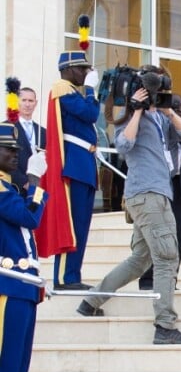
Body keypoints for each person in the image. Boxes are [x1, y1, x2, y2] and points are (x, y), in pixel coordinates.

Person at [76, 66, 181, 345]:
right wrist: (137, 110)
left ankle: (91, 301)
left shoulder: (162, 119)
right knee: (167, 258)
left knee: (139, 260)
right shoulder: (134, 118)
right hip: (147, 195)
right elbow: (123, 145)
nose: (158, 95)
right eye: (155, 90)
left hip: (157, 194)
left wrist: (168, 111)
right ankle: (164, 325)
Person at [35, 49, 100, 290]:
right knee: (71, 224)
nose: (86, 72)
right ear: (68, 70)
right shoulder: (63, 90)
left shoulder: (73, 92)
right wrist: (91, 90)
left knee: (80, 225)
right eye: (82, 69)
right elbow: (91, 113)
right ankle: (64, 277)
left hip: (83, 163)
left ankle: (72, 275)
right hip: (74, 165)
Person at [0, 122, 48, 372]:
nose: (15, 155)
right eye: (8, 150)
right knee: (5, 371)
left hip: (23, 288)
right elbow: (30, 215)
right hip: (7, 289)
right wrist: (34, 180)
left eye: (17, 150)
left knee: (17, 371)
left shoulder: (8, 189)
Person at [139, 95, 181, 290]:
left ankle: (170, 279)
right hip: (157, 186)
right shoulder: (155, 125)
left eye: (178, 107)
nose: (176, 110)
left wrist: (176, 123)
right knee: (155, 234)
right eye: (171, 106)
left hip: (180, 188)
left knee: (178, 236)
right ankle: (149, 279)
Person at [8, 87, 46, 190]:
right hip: (14, 188)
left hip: (39, 188)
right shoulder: (6, 128)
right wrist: (24, 182)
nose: (27, 104)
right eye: (24, 100)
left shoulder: (43, 132)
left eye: (31, 101)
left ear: (36, 103)